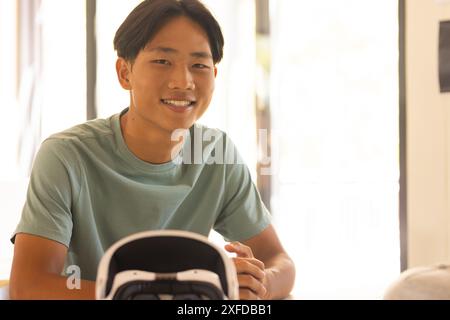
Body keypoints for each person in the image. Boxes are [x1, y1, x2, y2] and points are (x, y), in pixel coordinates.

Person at [9, 0, 295, 300]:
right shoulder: (66, 156)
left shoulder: (216, 152)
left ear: (214, 75)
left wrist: (258, 283)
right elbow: (29, 286)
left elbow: (281, 263)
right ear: (124, 72)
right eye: (162, 61)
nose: (183, 81)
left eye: (199, 65)